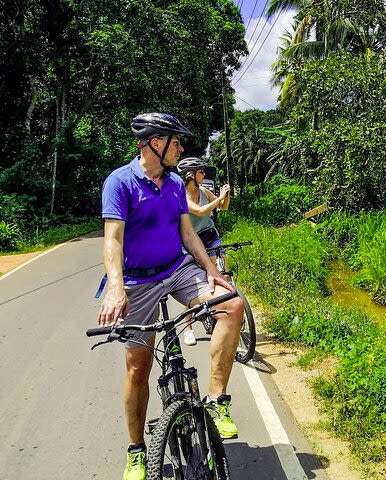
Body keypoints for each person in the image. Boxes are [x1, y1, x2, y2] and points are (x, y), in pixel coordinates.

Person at [97, 112, 244, 480]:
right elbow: (113, 239)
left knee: (231, 304)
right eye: (175, 142)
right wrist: (116, 287)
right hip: (137, 281)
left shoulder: (177, 183)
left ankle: (215, 401)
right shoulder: (120, 182)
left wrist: (212, 271)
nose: (181, 148)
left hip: (176, 269)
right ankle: (136, 450)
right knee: (138, 368)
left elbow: (189, 235)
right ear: (153, 143)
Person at [175, 157, 231, 346]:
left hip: (210, 235)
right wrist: (220, 198)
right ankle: (188, 329)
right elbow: (199, 211)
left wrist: (226, 195)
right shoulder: (181, 195)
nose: (204, 175)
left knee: (222, 273)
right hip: (193, 241)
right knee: (196, 286)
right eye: (201, 172)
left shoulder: (204, 191)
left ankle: (224, 310)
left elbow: (223, 207)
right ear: (191, 175)